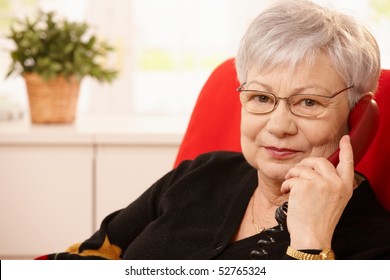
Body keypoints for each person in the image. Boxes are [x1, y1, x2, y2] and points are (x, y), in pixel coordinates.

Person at [44, 0, 390, 260]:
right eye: (260, 97)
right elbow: (91, 255)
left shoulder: (374, 239)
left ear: (358, 118)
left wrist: (311, 245)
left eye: (309, 103)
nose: (279, 126)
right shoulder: (200, 173)